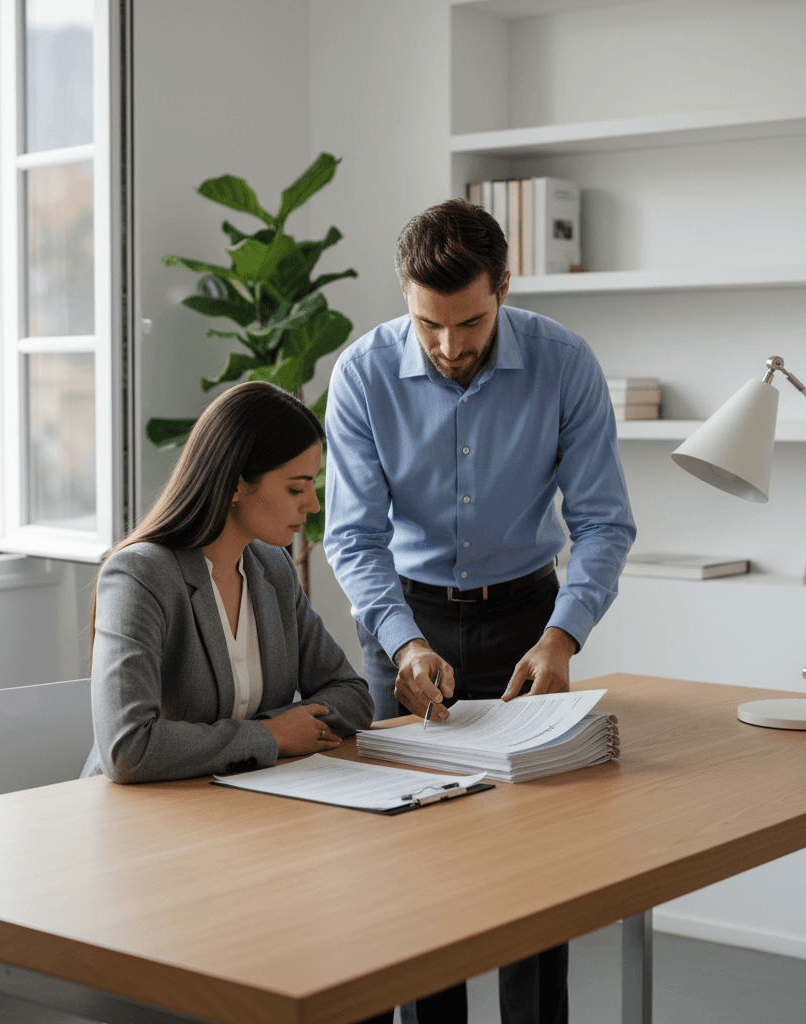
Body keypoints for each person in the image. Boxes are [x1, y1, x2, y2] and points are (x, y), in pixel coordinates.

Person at [323, 199, 636, 1024]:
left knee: (535, 860)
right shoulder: (361, 374)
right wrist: (404, 645)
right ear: (404, 293)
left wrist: (564, 635)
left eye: (469, 322)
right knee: (419, 858)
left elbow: (603, 521)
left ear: (504, 286)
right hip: (404, 624)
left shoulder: (564, 363)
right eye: (429, 323)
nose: (449, 345)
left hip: (531, 622)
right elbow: (353, 538)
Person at [81, 380, 373, 784]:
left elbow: (352, 696)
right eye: (296, 488)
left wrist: (276, 731)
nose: (312, 503)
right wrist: (271, 735)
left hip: (241, 798)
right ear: (235, 483)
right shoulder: (139, 576)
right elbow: (129, 748)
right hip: (141, 810)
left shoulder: (273, 568)